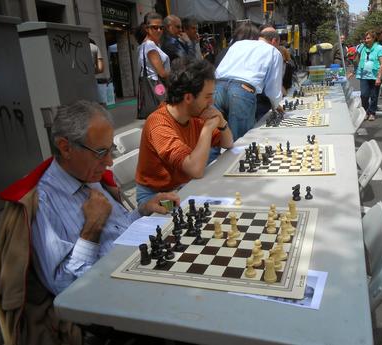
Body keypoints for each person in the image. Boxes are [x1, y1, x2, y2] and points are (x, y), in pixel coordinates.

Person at [31, 100, 179, 295]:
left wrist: (143, 210)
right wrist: (92, 229)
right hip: (110, 295)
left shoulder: (88, 174)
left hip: (139, 266)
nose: (109, 162)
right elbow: (63, 289)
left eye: (110, 150)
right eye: (101, 152)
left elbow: (117, 228)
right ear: (65, 148)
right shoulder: (44, 201)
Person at [135, 59, 233, 205]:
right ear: (188, 97)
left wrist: (222, 123)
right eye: (207, 96)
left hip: (184, 186)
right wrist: (207, 129)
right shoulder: (158, 124)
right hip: (157, 196)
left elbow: (228, 143)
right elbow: (195, 170)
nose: (212, 102)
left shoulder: (195, 115)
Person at [214, 25, 284, 141]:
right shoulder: (273, 51)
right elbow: (272, 88)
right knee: (241, 144)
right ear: (274, 41)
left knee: (214, 139)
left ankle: (211, 160)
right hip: (242, 91)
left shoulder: (238, 44)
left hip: (217, 88)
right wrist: (276, 105)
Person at [350, 30, 382, 121]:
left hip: (375, 75)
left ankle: (372, 112)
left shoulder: (379, 48)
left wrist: (379, 77)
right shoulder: (362, 47)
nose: (366, 40)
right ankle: (366, 111)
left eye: (368, 38)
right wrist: (353, 71)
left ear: (374, 38)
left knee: (374, 95)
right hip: (364, 75)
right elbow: (355, 59)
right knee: (364, 95)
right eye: (365, 38)